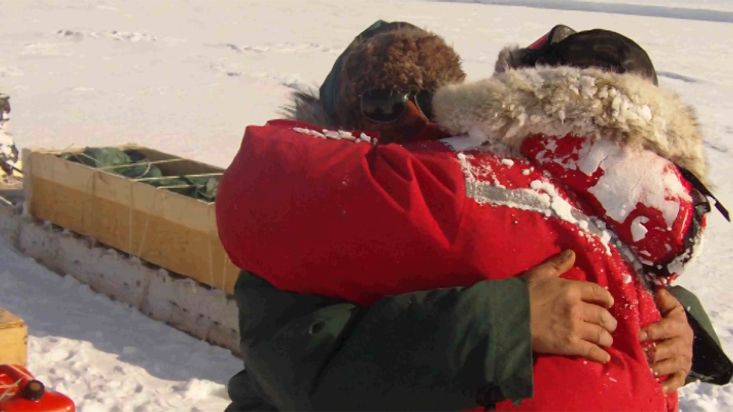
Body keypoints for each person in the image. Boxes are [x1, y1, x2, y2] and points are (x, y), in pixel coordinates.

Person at [218, 22, 729, 411]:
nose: (418, 118)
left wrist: (673, 322)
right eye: (385, 102)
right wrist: (506, 320)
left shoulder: (464, 194)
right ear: (343, 117)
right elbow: (317, 381)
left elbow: (583, 247)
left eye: (434, 100)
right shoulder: (309, 222)